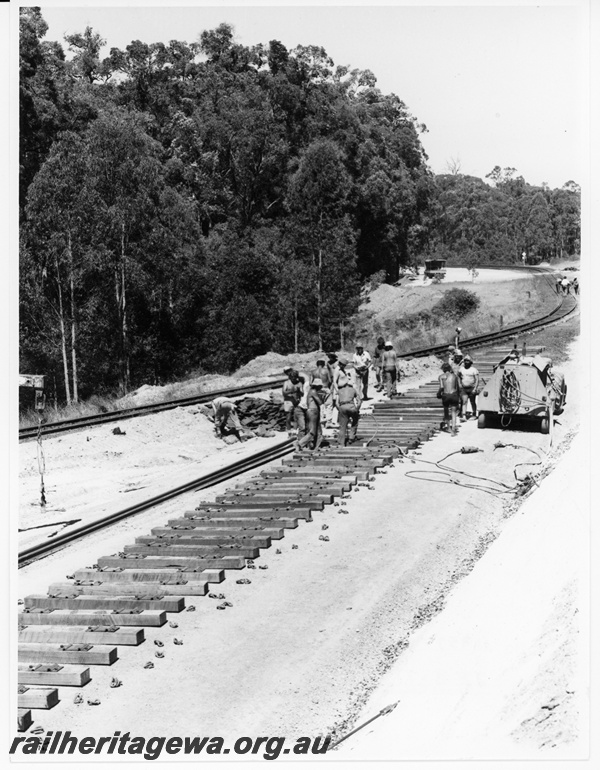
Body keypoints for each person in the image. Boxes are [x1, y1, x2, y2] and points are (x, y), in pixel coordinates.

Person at [296, 378, 326, 451]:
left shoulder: (313, 391)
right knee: (312, 431)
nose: (321, 387)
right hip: (313, 411)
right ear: (317, 386)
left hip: (314, 411)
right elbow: (320, 402)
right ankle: (300, 443)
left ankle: (317, 447)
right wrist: (324, 395)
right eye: (320, 386)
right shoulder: (313, 391)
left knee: (319, 431)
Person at [337, 380, 361, 446]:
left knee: (342, 426)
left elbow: (336, 403)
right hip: (351, 407)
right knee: (355, 420)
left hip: (342, 407)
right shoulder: (353, 390)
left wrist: (340, 410)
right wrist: (357, 409)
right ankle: (351, 437)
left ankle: (341, 444)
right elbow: (359, 402)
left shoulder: (339, 390)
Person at [438, 363, 460, 436]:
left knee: (446, 412)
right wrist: (458, 396)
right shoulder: (454, 376)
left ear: (443, 369)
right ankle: (453, 429)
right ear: (450, 369)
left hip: (446, 395)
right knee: (454, 412)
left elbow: (441, 387)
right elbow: (458, 387)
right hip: (454, 394)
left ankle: (448, 428)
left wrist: (438, 393)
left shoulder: (441, 376)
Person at [311, 357, 333, 428]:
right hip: (325, 388)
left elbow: (310, 383)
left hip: (317, 390)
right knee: (329, 405)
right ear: (323, 364)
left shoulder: (313, 371)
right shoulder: (326, 371)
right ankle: (328, 421)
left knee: (320, 405)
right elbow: (330, 380)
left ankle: (321, 421)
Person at [458, 354, 480, 420]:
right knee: (464, 401)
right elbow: (458, 376)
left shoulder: (474, 370)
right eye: (465, 361)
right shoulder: (461, 369)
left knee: (472, 401)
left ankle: (474, 414)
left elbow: (477, 379)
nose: (466, 362)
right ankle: (464, 415)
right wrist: (460, 384)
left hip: (471, 388)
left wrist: (475, 388)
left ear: (470, 362)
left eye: (467, 361)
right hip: (464, 388)